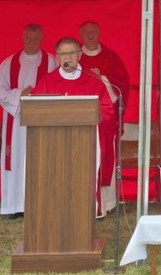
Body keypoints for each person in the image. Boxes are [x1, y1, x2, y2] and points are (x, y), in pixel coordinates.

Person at [31, 37, 115, 217]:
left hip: (85, 143)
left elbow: (107, 109)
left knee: (82, 180)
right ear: (57, 57)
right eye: (63, 54)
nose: (67, 58)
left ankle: (83, 214)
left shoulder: (93, 81)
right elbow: (34, 109)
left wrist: (90, 113)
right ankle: (54, 213)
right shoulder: (48, 81)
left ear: (79, 55)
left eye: (71, 53)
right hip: (54, 143)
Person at [0, 24, 57, 220]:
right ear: (22, 38)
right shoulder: (9, 63)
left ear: (42, 39)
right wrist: (21, 94)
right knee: (15, 160)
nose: (31, 42)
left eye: (36, 39)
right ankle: (12, 206)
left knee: (39, 160)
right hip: (16, 121)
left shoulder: (52, 62)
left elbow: (59, 87)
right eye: (28, 38)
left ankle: (39, 206)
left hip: (41, 121)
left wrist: (37, 96)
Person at [78, 21, 130, 217]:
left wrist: (103, 79)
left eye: (93, 31)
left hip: (106, 118)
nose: (90, 34)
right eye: (86, 32)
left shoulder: (111, 56)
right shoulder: (75, 56)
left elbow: (122, 85)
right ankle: (83, 201)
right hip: (81, 118)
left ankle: (106, 203)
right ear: (80, 34)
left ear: (99, 32)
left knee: (106, 156)